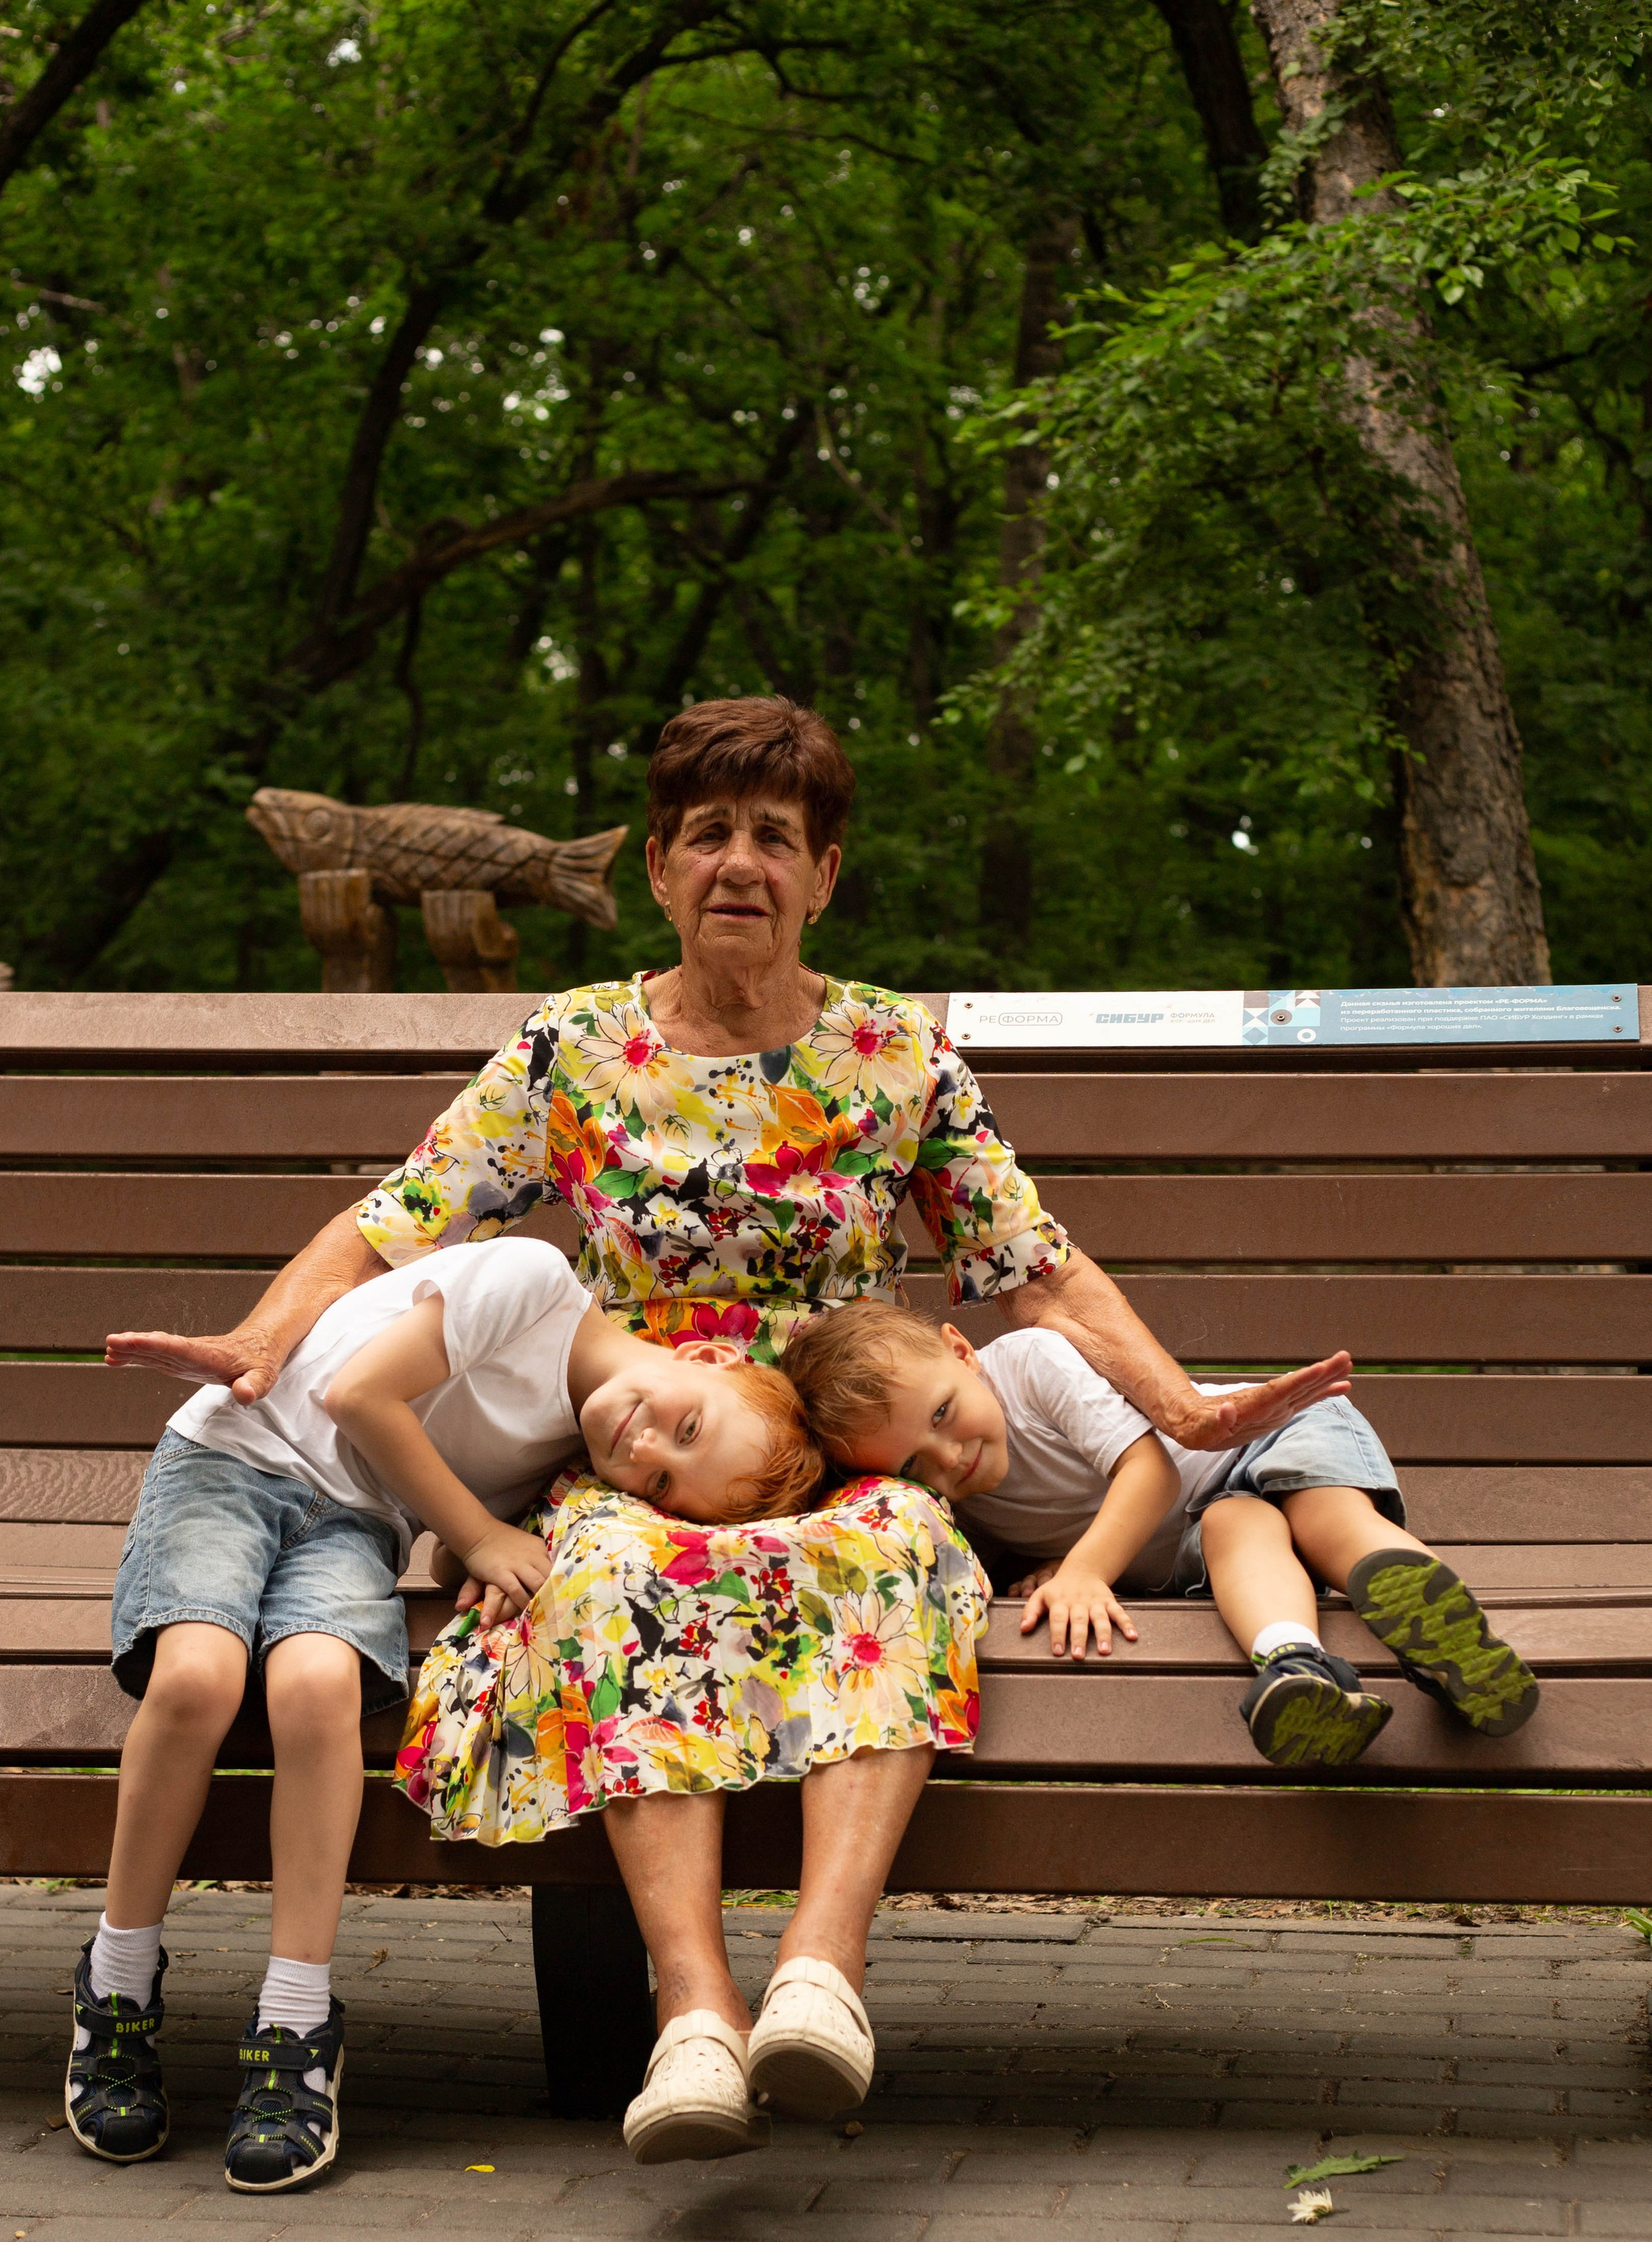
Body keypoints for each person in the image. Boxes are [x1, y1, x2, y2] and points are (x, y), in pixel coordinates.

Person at [107, 693, 1353, 2167]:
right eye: (708, 833)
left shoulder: (897, 1056)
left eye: (776, 836)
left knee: (898, 1551)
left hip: (825, 1443)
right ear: (656, 865)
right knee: (609, 1577)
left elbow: (1035, 1260)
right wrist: (261, 1338)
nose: (739, 864)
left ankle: (820, 1977)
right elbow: (394, 1223)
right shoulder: (571, 1048)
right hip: (642, 1430)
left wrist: (1180, 1406)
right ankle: (691, 2016)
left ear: (824, 874)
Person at [72, 1234, 819, 2189]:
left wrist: (476, 1561)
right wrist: (479, 1532)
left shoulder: (564, 1452)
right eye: (687, 1429)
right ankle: (117, 1987)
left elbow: (438, 1543)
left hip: (352, 1526)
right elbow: (358, 1395)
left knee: (317, 1687)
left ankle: (296, 2022)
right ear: (711, 1360)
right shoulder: (533, 1282)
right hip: (229, 1463)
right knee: (199, 1679)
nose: (643, 1453)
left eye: (663, 1486)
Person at [782, 1305, 1539, 1766]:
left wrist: (1084, 1571)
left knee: (1330, 1518)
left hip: (1259, 1437)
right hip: (1198, 1531)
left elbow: (1151, 1472)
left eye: (944, 1413)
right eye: (917, 1460)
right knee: (1235, 1524)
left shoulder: (1033, 1362)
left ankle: (1445, 1633)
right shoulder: (933, 1501)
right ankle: (1299, 1671)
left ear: (959, 1350)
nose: (951, 1457)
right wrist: (1054, 1563)